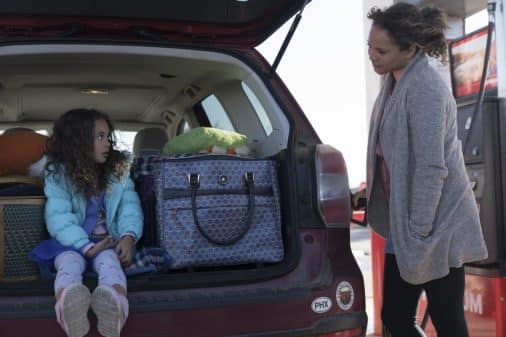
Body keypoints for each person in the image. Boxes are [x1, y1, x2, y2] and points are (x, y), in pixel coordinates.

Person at [361, 3, 488, 336]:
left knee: (447, 320)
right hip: (404, 223)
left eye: (381, 50)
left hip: (435, 224)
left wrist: (418, 231)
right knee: (396, 315)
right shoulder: (391, 84)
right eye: (370, 47)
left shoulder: (425, 89)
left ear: (411, 48)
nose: (372, 55)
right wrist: (369, 191)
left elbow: (432, 166)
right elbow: (390, 154)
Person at [30, 108, 143, 337]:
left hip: (107, 242)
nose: (107, 143)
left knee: (111, 263)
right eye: (99, 137)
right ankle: (69, 305)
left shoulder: (118, 172)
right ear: (78, 142)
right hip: (71, 243)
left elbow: (129, 208)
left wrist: (128, 237)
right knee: (68, 264)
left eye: (107, 136)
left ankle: (114, 305)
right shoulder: (58, 175)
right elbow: (59, 217)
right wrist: (86, 246)